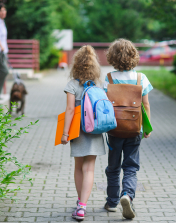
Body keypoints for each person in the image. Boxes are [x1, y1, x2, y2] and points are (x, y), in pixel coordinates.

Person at [103, 39, 153, 219]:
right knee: (131, 166)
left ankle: (112, 202)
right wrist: (146, 128)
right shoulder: (141, 78)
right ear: (134, 56)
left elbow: (104, 105)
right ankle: (128, 195)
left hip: (115, 129)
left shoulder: (108, 78)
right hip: (134, 129)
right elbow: (145, 105)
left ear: (112, 57)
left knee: (113, 167)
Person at [61, 45, 106, 221]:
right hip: (95, 129)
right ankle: (83, 206)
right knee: (89, 168)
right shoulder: (99, 85)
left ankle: (80, 202)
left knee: (79, 167)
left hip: (78, 130)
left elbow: (70, 110)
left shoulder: (72, 85)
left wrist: (65, 134)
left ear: (76, 65)